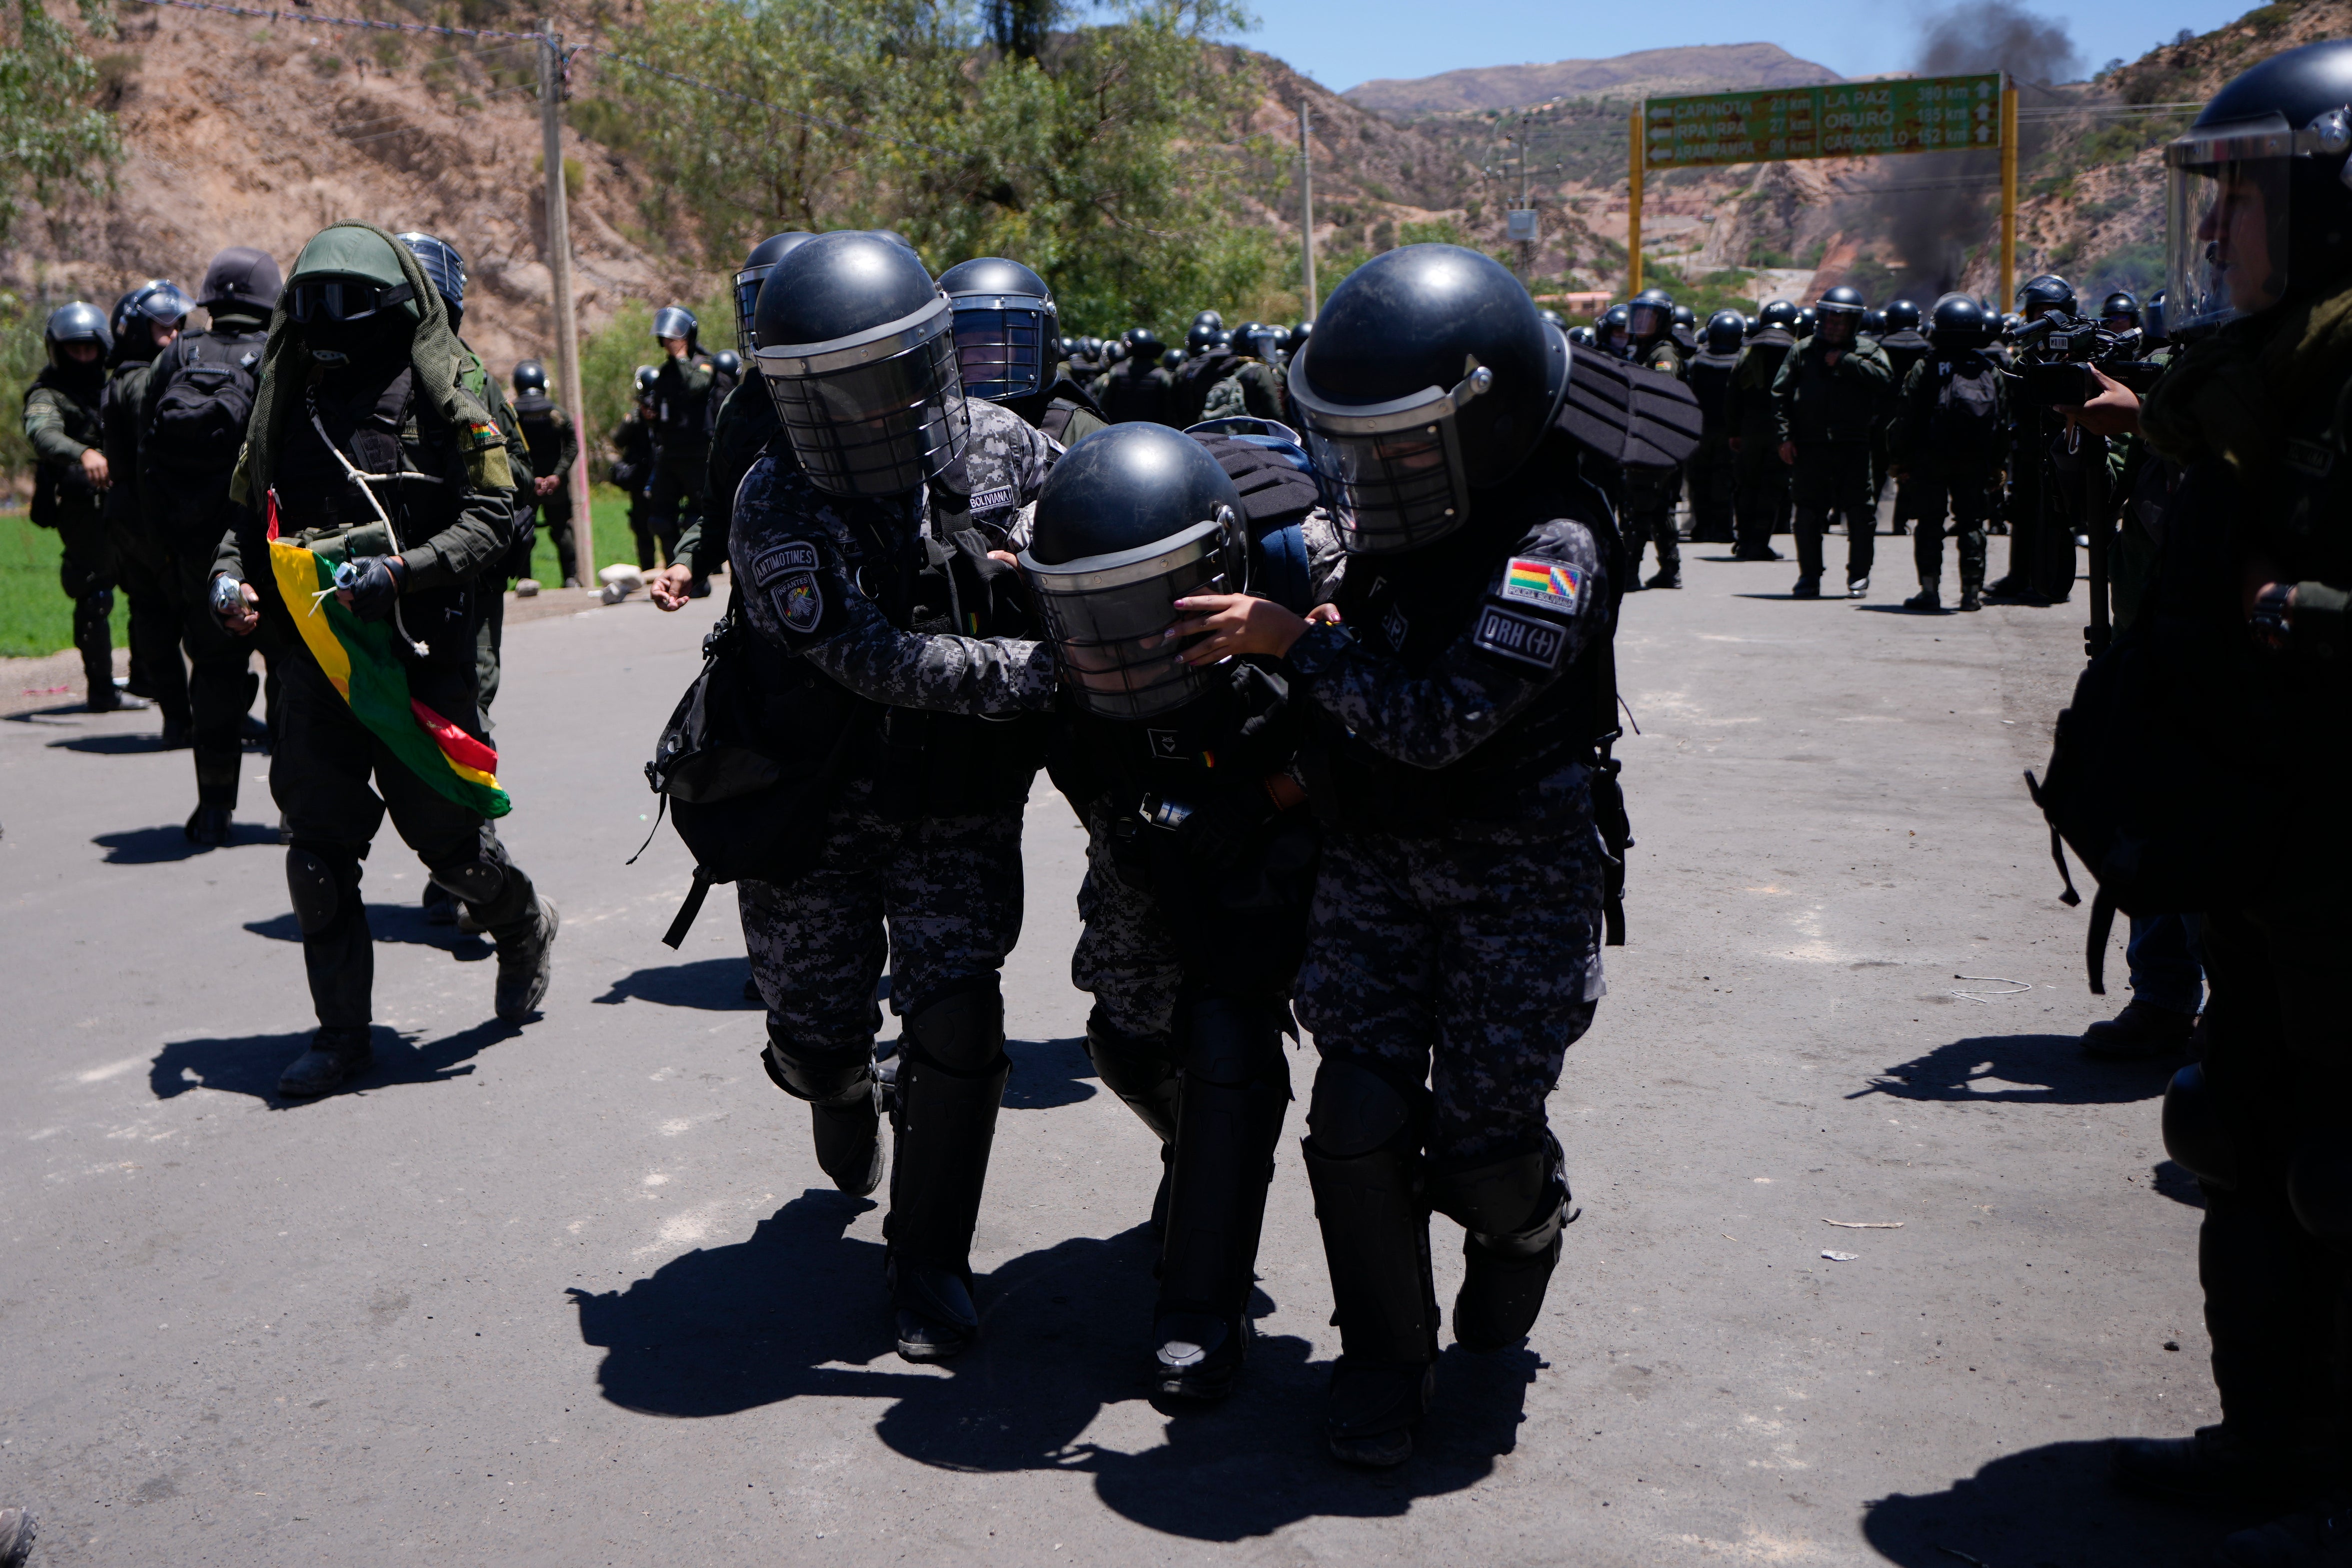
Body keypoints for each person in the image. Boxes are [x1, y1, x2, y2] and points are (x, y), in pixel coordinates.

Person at [1168, 242, 1657, 1467]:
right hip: (1381, 861)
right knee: (1356, 1111)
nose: (1368, 472)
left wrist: (1299, 645)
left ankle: (1523, 1227)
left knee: (1483, 1146)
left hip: (1517, 881)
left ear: (1474, 427)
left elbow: (1438, 724)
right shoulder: (1405, 520)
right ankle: (1385, 1365)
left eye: (1392, 444)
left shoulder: (1556, 543)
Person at [2103, 41, 2352, 1567]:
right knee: (2240, 1132)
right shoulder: (2270, 374)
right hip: (2275, 838)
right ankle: (2269, 1438)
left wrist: (2291, 611)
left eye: (2243, 197)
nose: (2214, 232)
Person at [728, 230, 1061, 1362]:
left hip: (952, 803)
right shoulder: (773, 494)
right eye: (825, 391)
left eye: (877, 379)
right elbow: (870, 657)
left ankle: (929, 1262)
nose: (858, 412)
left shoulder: (1011, 452)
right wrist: (1035, 678)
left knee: (958, 1020)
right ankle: (835, 1087)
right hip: (811, 802)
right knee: (817, 1039)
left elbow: (1095, 541)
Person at [206, 221, 557, 1097]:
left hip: (420, 654)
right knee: (319, 853)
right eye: (313, 308)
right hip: (315, 661)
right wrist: (226, 579)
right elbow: (248, 515)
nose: (329, 328)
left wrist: (402, 571)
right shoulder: (286, 391)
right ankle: (340, 1039)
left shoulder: (451, 387)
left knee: (453, 848)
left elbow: (491, 519)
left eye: (347, 310)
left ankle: (522, 925)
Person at [1020, 421, 1332, 1402]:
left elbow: (1386, 724)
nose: (1113, 634)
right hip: (1154, 829)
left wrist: (1267, 798)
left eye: (1141, 602)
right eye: (1088, 609)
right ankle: (1197, 1150)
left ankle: (1201, 1307)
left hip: (1304, 822)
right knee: (1126, 1036)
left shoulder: (1314, 564)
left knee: (1245, 1037)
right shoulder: (1053, 599)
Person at [143, 246, 285, 843]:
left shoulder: (178, 354)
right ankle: (294, 811)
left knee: (216, 679)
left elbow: (144, 446)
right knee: (290, 680)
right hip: (269, 549)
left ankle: (213, 807)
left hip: (200, 553)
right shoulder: (278, 356)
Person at [655, 233, 813, 605]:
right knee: (660, 517)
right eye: (761, 306)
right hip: (761, 606)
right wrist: (687, 563)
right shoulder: (745, 404)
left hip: (854, 606)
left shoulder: (865, 394)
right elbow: (720, 515)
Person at [23, 301, 144, 715]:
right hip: (82, 509)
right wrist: (84, 454)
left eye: (88, 349)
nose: (81, 357)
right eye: (73, 350)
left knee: (150, 586)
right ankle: (101, 690)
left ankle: (148, 678)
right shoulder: (48, 394)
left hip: (129, 503)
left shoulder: (114, 384)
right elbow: (42, 434)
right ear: (58, 350)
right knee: (95, 595)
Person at [101, 281, 198, 739]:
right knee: (183, 612)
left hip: (132, 513)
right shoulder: (143, 380)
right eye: (164, 328)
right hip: (150, 515)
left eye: (179, 325)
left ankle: (180, 718)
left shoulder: (121, 376)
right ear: (139, 330)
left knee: (153, 616)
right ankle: (206, 714)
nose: (176, 335)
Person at [1888, 296, 2008, 613]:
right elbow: (2003, 422)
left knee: (1929, 523)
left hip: (1930, 459)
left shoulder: (1925, 366)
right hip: (1974, 460)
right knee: (1971, 524)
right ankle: (1971, 594)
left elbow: (1906, 416)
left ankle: (1930, 591)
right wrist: (1997, 466)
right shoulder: (1987, 368)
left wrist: (1899, 458)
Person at [1773, 284, 1893, 598]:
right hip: (1810, 446)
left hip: (1853, 446)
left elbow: (1885, 382)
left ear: (1853, 324)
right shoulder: (1802, 351)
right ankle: (1809, 577)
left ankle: (1859, 576)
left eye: (1841, 321)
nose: (1833, 326)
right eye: (1829, 319)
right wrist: (1785, 437)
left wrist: (1845, 362)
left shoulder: (1869, 351)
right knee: (1808, 514)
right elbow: (1779, 395)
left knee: (1860, 514)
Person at [937, 255, 1108, 444]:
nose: (972, 355)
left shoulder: (1082, 435)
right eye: (960, 342)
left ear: (1024, 347)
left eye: (990, 341)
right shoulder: (931, 430)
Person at [1987, 273, 2080, 603]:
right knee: (2022, 510)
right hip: (2028, 446)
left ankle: (2052, 582)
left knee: (2055, 515)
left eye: (2049, 311)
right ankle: (2018, 576)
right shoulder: (2026, 353)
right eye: (2037, 311)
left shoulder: (2076, 351)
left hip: (2060, 447)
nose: (2042, 318)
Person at [1618, 288, 1687, 590]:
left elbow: (1662, 392)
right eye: (1640, 315)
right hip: (1651, 440)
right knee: (1658, 509)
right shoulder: (1644, 351)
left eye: (1650, 317)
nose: (1642, 322)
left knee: (1638, 509)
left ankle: (1630, 571)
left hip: (1653, 440)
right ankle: (1670, 570)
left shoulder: (1663, 353)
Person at [1729, 300, 1799, 561]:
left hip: (1749, 430)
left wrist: (1734, 430)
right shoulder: (1795, 352)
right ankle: (1758, 543)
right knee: (1771, 488)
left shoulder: (1747, 353)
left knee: (1747, 486)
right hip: (1780, 431)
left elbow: (1732, 395)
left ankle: (1744, 541)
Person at [645, 306, 714, 567]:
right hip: (670, 454)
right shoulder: (665, 373)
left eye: (675, 337)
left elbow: (698, 386)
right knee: (660, 519)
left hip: (697, 454)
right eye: (667, 338)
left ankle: (700, 570)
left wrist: (683, 359)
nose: (669, 343)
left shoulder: (705, 363)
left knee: (697, 517)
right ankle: (674, 567)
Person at [509, 360, 579, 590]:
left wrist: (531, 478)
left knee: (523, 528)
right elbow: (572, 445)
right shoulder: (555, 413)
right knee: (562, 530)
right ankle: (571, 579)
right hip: (555, 486)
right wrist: (557, 476)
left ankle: (524, 580)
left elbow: (505, 448)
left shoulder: (512, 414)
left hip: (525, 485)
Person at [1682, 309, 1744, 547]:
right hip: (1728, 430)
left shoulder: (1697, 362)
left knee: (1700, 481)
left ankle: (1702, 527)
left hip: (1701, 429)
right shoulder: (1740, 362)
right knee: (1724, 481)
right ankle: (1722, 529)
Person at [1875, 298, 1933, 537]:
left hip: (1882, 417)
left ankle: (1866, 518)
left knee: (1877, 470)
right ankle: (1901, 522)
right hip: (1915, 418)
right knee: (1909, 471)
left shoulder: (1880, 347)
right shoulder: (1927, 349)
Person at [609, 366, 660, 576]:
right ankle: (648, 569)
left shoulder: (668, 415)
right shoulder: (634, 419)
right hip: (641, 481)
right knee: (642, 527)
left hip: (665, 477)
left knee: (669, 523)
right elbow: (618, 440)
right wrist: (636, 419)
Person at [1099, 325, 1175, 426]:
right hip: (1153, 434)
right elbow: (1170, 412)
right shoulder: (1162, 375)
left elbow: (1104, 405)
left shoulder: (1117, 371)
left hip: (1119, 432)